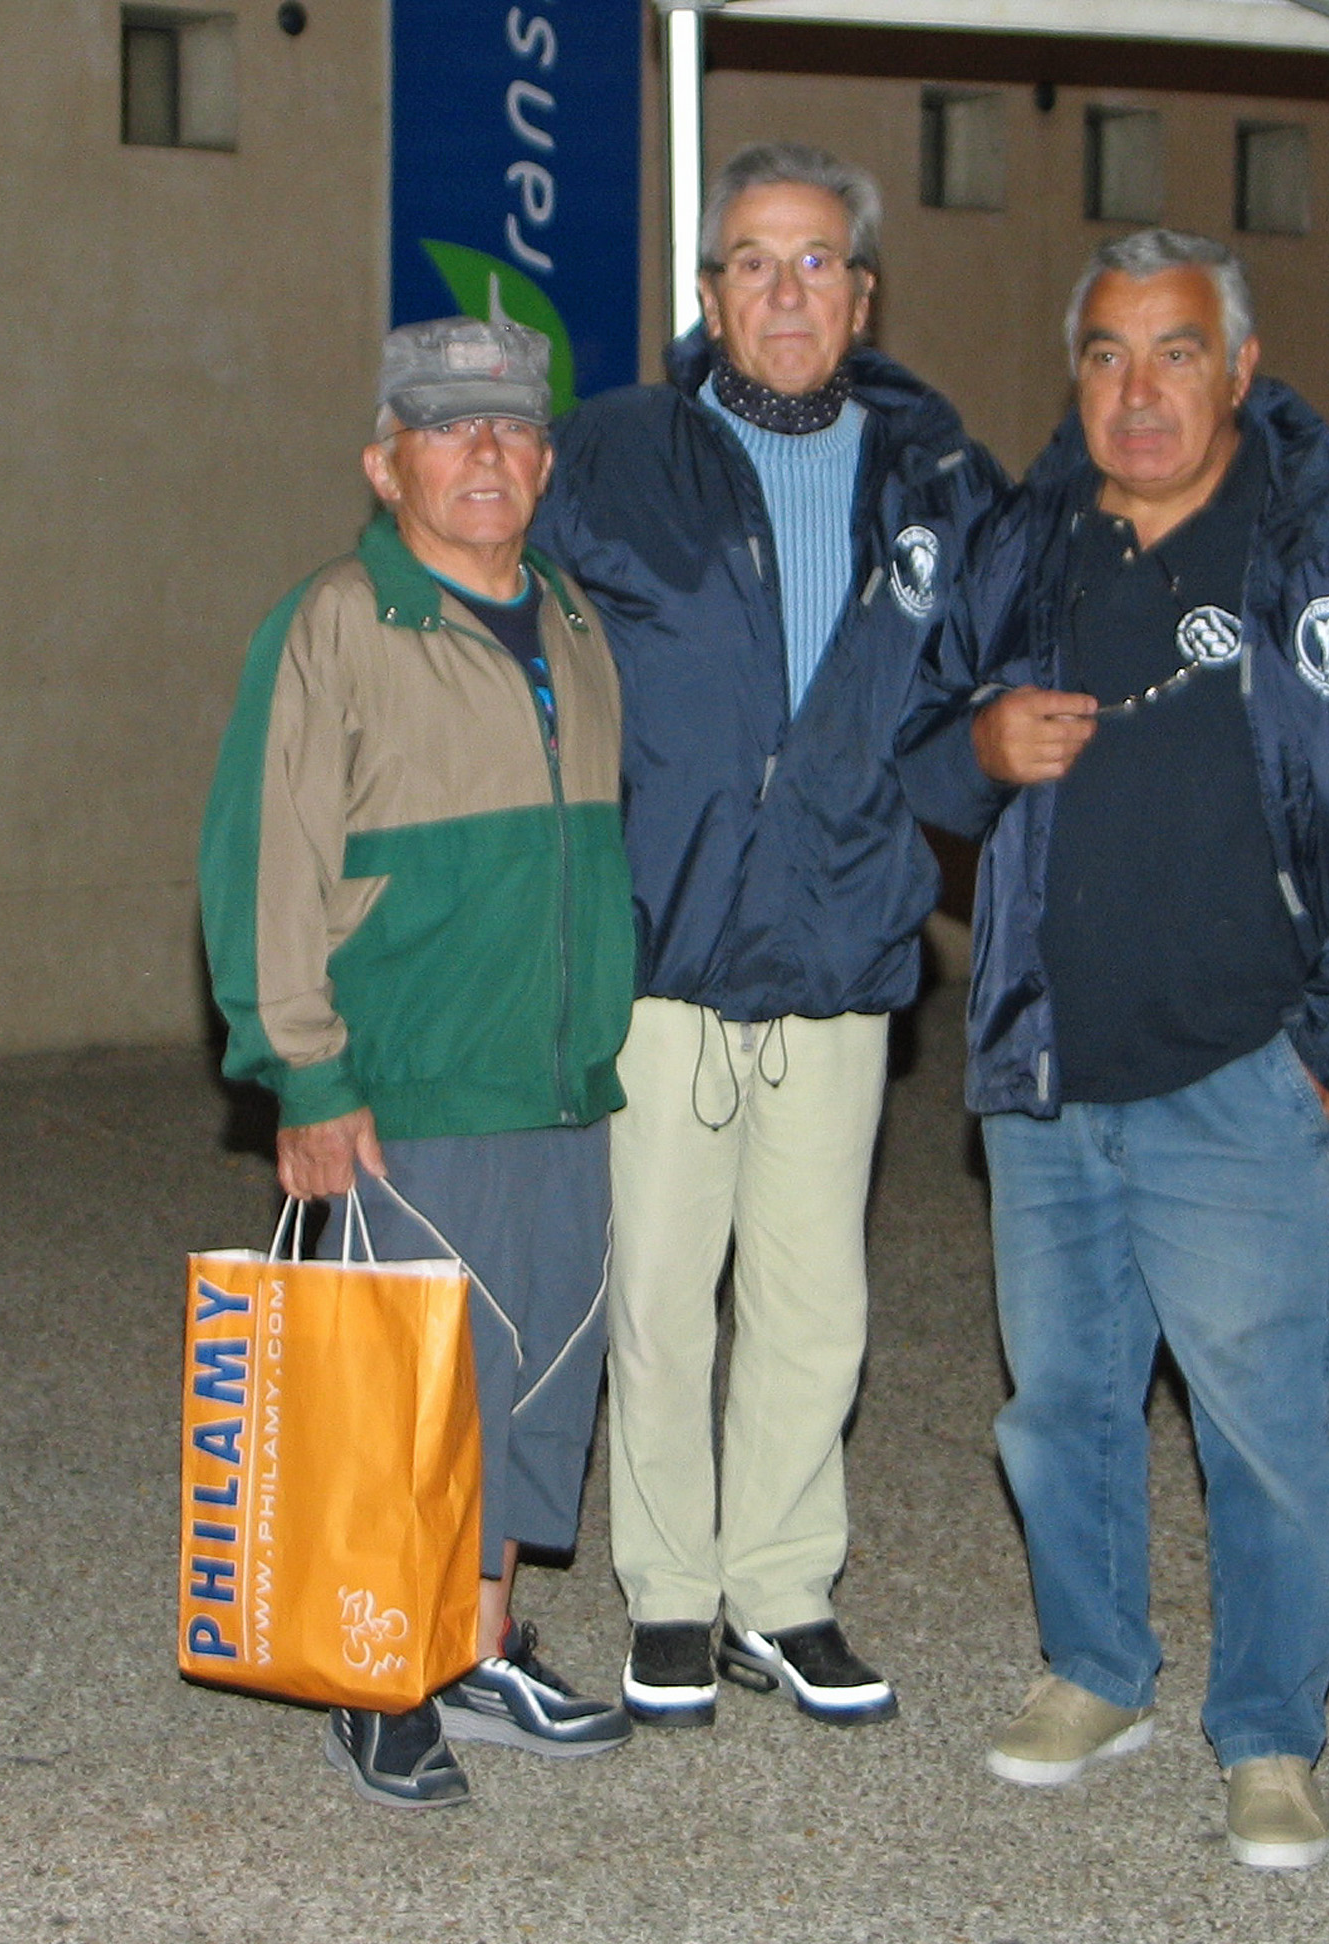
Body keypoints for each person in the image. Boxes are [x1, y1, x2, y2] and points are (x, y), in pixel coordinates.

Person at [899, 229, 1329, 1869]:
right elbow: (915, 751)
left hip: (1244, 1069)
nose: (1138, 390)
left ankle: (1272, 1729)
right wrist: (977, 746)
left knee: (1264, 1432)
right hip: (1049, 1063)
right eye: (1106, 354)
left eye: (1173, 353)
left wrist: (1327, 1054)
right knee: (1060, 1402)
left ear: (1238, 368)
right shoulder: (1024, 543)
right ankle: (1098, 1669)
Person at [530, 143, 1006, 1726]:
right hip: (665, 948)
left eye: (816, 263)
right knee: (663, 1299)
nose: (786, 291)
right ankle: (671, 1597)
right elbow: (515, 648)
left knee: (815, 1303)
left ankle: (783, 1596)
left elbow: (972, 698)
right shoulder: (612, 452)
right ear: (709, 293)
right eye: (753, 261)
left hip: (841, 949)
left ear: (862, 295)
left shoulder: (939, 477)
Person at [200, 316, 635, 1807]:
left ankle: (477, 1641)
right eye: (448, 429)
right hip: (407, 1085)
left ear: (546, 461)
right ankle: (375, 1674)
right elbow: (266, 860)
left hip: (554, 1081)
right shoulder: (336, 622)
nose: (486, 453)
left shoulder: (570, 617)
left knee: (529, 1382)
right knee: (408, 1392)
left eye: (512, 427)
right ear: (386, 466)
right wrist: (306, 1076)